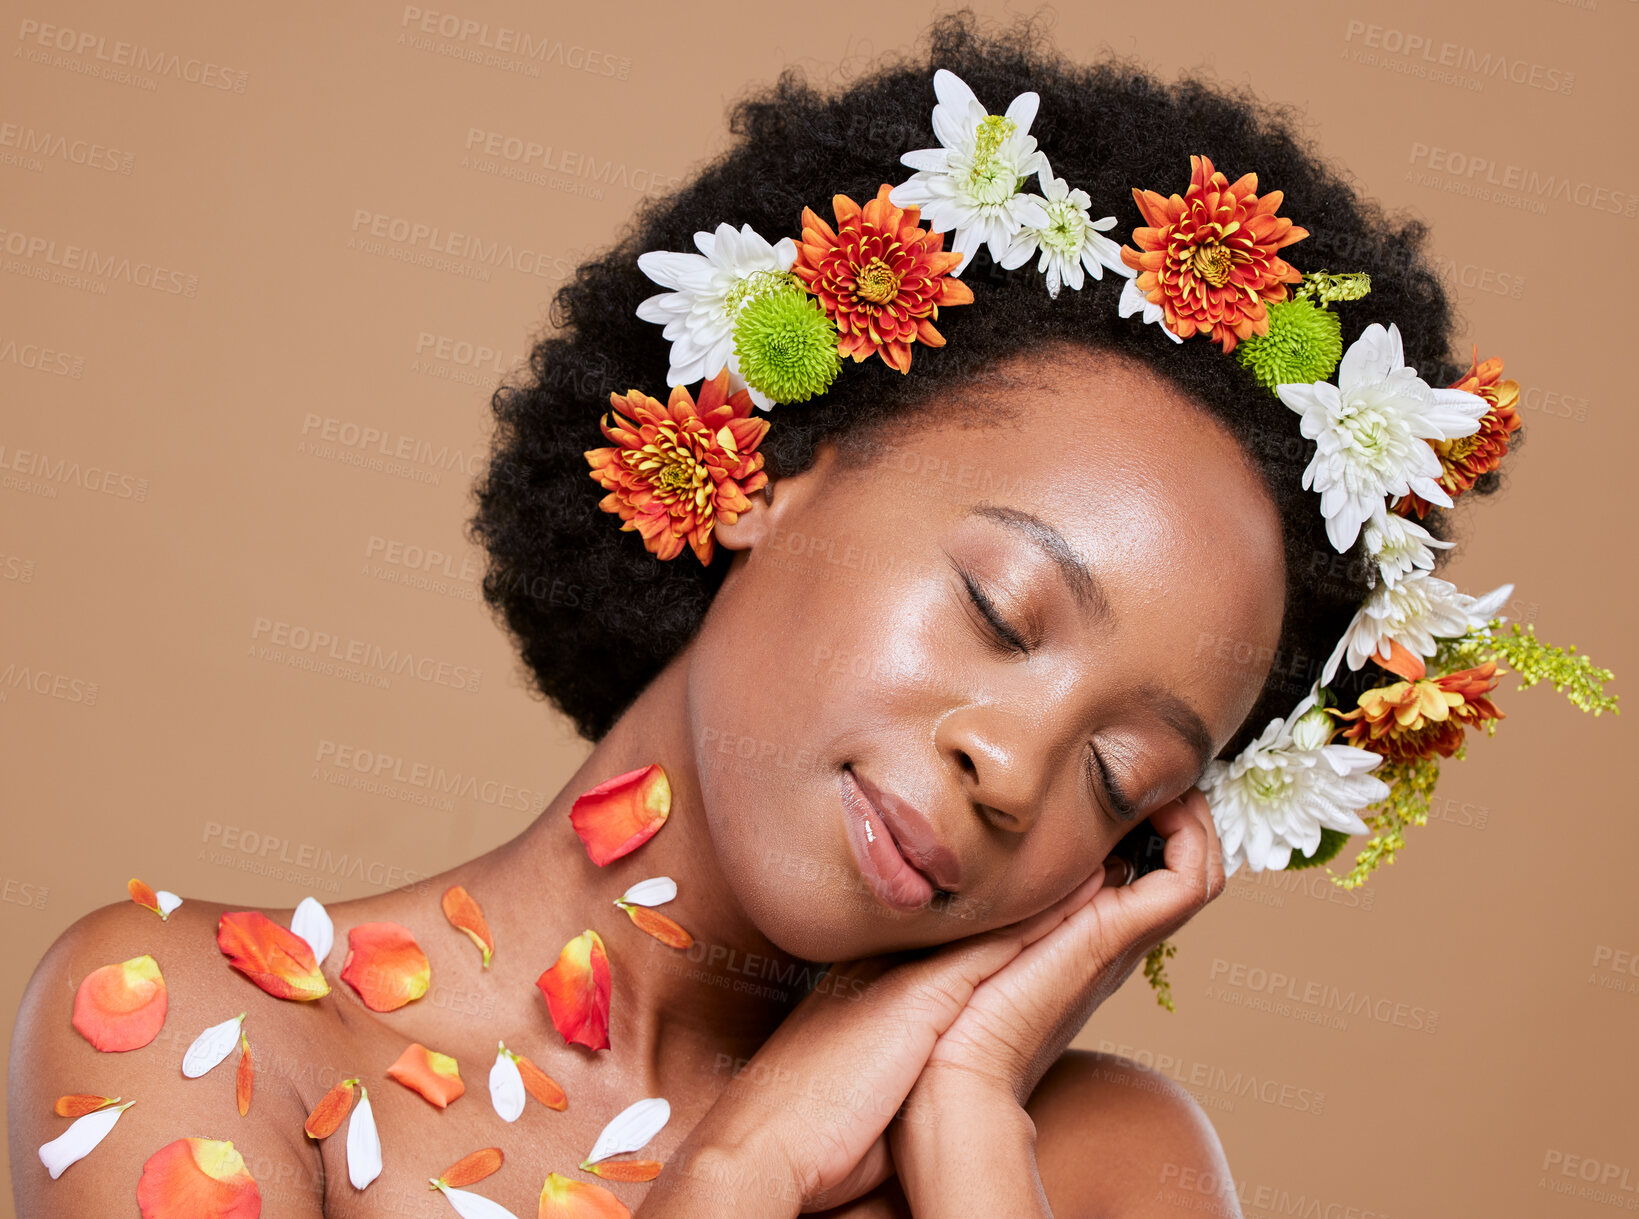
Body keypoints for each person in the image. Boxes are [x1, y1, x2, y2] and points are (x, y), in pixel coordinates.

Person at [9, 12, 1538, 1217]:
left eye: (1116, 778)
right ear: (761, 464)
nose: (1010, 767)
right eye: (1002, 615)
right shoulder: (208, 1028)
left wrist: (966, 1118)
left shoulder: (1101, 1168)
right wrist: (743, 1170)